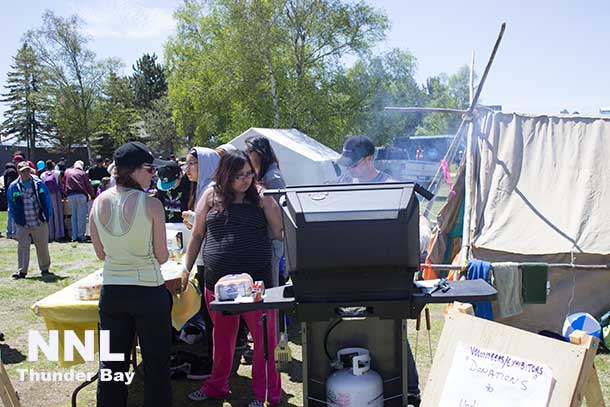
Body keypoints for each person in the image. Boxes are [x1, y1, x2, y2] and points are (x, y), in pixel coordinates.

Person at [183, 150, 283, 406]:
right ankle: (217, 386)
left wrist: (270, 201)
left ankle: (266, 394)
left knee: (264, 343)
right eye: (239, 175)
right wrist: (186, 269)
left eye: (249, 173)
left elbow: (281, 231)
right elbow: (196, 235)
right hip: (218, 284)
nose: (246, 180)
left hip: (257, 286)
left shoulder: (260, 196)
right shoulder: (210, 194)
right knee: (222, 339)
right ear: (225, 174)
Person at [334, 135, 421, 406]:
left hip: (388, 272)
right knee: (353, 328)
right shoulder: (343, 185)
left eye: (354, 163)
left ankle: (410, 390)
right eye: (346, 163)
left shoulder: (392, 188)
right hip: (351, 270)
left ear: (370, 159)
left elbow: (415, 229)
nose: (348, 169)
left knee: (393, 329)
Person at [90, 141, 171, 407]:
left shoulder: (98, 202)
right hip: (148, 290)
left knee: (112, 365)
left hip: (113, 290)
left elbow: (100, 254)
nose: (153, 175)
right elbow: (162, 256)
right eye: (150, 169)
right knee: (156, 364)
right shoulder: (151, 205)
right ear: (134, 171)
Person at [182, 147, 220, 378]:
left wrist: (194, 219)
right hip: (206, 256)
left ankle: (213, 361)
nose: (186, 169)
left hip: (211, 258)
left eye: (191, 164)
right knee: (210, 314)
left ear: (204, 165)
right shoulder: (203, 187)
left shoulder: (212, 189)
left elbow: (213, 223)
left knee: (212, 314)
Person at [245, 136, 286, 287]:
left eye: (249, 151)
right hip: (266, 239)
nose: (247, 155)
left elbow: (282, 210)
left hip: (273, 239)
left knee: (272, 283)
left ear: (260, 153)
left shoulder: (272, 176)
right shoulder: (264, 174)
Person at [7, 161, 53, 279]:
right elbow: (11, 204)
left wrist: (47, 216)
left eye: (27, 170)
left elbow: (47, 200)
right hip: (22, 222)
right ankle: (22, 271)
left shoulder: (38, 183)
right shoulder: (13, 186)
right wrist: (15, 219)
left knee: (42, 246)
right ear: (19, 172)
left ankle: (45, 268)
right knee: (22, 247)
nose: (26, 173)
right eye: (23, 171)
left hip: (38, 220)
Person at [63, 160, 94, 242]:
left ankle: (74, 236)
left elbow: (64, 184)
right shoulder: (83, 173)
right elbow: (88, 186)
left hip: (70, 196)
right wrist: (93, 195)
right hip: (81, 195)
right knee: (81, 217)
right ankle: (81, 236)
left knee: (74, 217)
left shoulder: (67, 172)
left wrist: (65, 195)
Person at [41, 160, 65, 241]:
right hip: (56, 194)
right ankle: (58, 234)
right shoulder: (57, 173)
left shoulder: (42, 175)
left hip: (47, 195)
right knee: (58, 215)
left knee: (49, 215)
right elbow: (60, 185)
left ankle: (50, 235)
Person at [3, 162, 18, 238]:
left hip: (8, 194)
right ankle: (14, 232)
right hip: (13, 194)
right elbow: (10, 183)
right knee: (14, 213)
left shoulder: (5, 172)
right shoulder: (12, 171)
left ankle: (8, 232)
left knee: (9, 213)